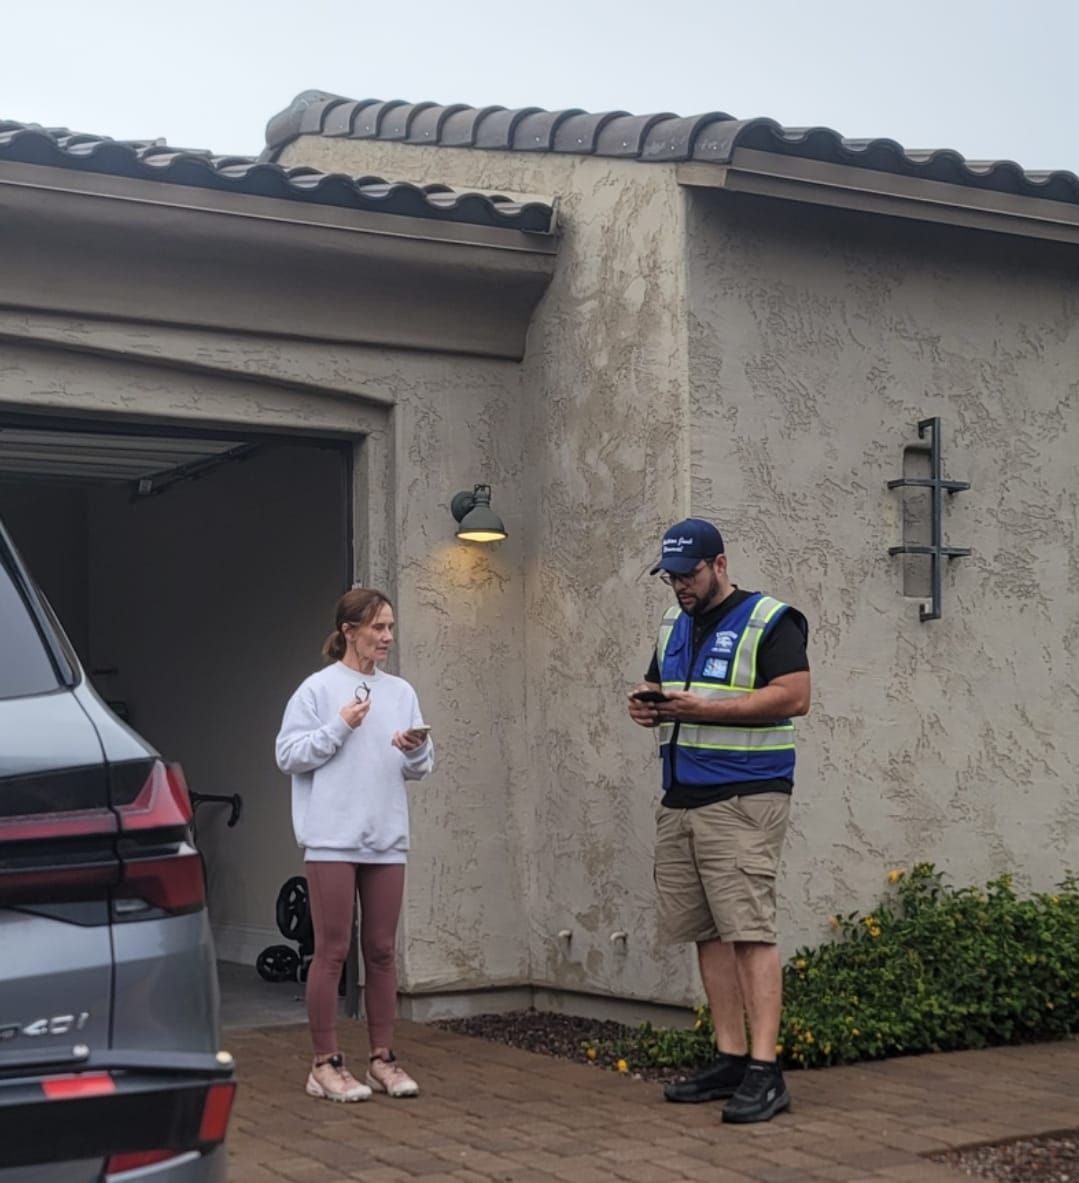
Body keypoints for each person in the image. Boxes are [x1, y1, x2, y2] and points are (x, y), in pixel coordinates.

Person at [627, 519, 810, 1125]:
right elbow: (663, 685)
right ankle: (730, 1057)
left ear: (719, 564)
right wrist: (645, 702)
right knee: (706, 930)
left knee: (749, 930)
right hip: (681, 798)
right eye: (671, 576)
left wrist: (709, 710)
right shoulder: (673, 625)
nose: (679, 585)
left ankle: (765, 1070)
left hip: (743, 799)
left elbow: (794, 695)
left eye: (689, 574)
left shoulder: (770, 620)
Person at [275, 588, 434, 1104]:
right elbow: (289, 756)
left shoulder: (402, 692)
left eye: (390, 627)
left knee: (383, 952)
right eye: (377, 628)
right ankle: (323, 1064)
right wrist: (340, 725)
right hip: (332, 839)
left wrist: (417, 748)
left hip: (386, 836)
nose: (387, 637)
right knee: (333, 952)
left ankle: (383, 1060)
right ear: (349, 632)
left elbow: (418, 769)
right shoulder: (317, 690)